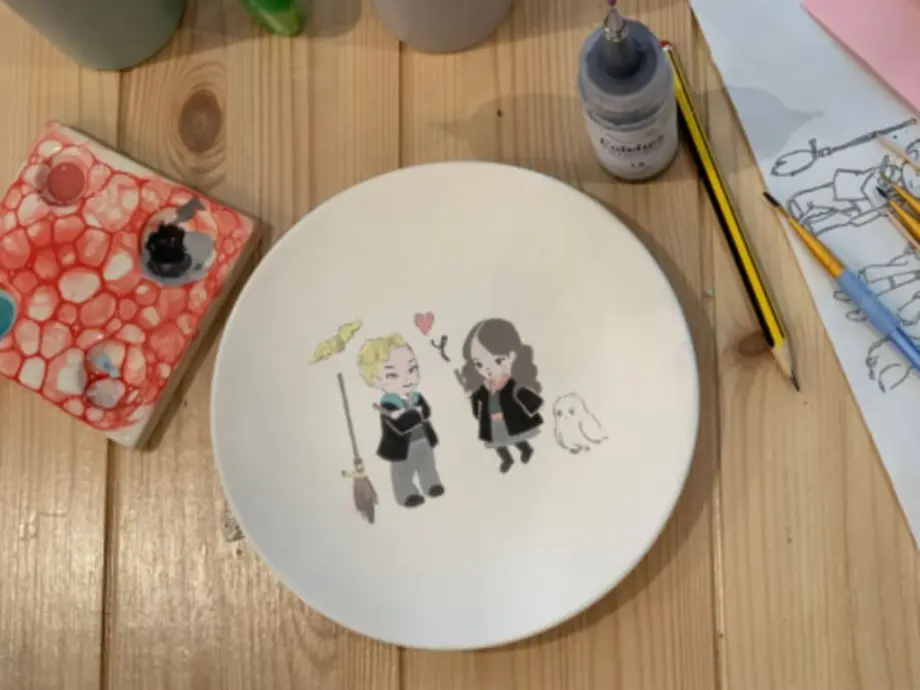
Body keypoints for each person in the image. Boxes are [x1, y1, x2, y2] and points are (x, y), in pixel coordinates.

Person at [357, 333, 443, 508]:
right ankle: (407, 494)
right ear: (376, 381)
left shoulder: (416, 396)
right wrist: (414, 415)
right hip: (402, 448)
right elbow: (402, 425)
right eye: (393, 375)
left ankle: (431, 484)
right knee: (402, 473)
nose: (406, 378)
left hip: (422, 440)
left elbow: (426, 412)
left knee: (427, 465)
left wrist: (415, 413)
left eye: (411, 369)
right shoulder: (388, 404)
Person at [457, 318, 544, 473]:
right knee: (497, 442)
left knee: (516, 437)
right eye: (479, 364)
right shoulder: (485, 386)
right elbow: (477, 401)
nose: (487, 369)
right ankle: (506, 459)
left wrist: (532, 405)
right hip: (493, 420)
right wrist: (472, 398)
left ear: (512, 356)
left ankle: (526, 449)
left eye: (498, 360)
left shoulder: (511, 383)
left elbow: (527, 397)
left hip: (510, 418)